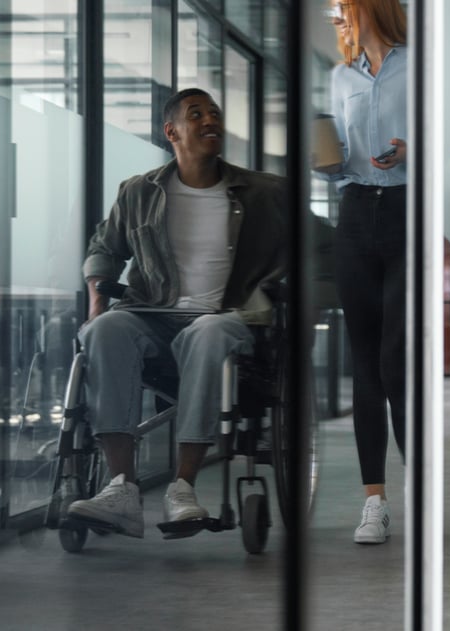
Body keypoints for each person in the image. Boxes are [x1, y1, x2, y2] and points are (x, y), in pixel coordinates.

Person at [64, 88, 289, 539]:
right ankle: (121, 488)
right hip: (152, 315)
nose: (210, 120)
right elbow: (103, 251)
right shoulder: (138, 192)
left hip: (226, 318)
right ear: (172, 132)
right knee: (106, 329)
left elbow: (303, 251)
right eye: (196, 114)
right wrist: (95, 305)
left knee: (207, 331)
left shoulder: (264, 193)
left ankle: (183, 487)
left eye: (215, 113)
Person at [319, 0, 409, 545]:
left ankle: (418, 486)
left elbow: (449, 148)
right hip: (353, 215)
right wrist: (329, 162)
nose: (339, 17)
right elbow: (342, 156)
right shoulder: (341, 77)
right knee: (366, 367)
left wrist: (412, 150)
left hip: (405, 213)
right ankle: (374, 500)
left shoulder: (419, 69)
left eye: (345, 7)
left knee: (395, 361)